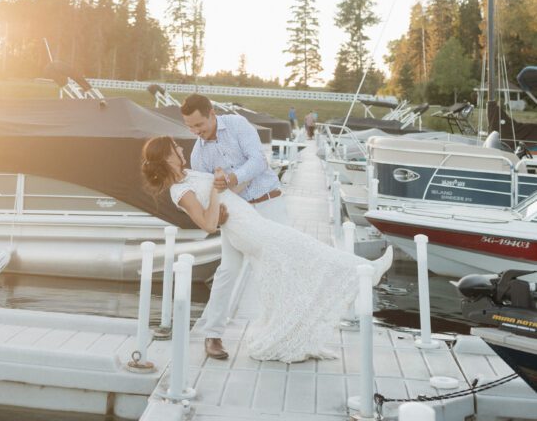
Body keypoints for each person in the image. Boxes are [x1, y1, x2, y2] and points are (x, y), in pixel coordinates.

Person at [141, 136, 393, 364]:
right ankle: (367, 270)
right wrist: (217, 196)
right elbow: (206, 223)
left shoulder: (189, 175)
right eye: (175, 147)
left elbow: (225, 195)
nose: (180, 148)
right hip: (246, 230)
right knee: (308, 248)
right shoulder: (180, 190)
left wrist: (223, 182)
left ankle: (292, 331)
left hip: (250, 221)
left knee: (297, 260)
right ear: (166, 156)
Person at [179, 93, 288, 360]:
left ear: (211, 114)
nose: (196, 132)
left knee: (278, 265)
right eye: (190, 127)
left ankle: (280, 331)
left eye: (199, 125)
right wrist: (221, 210)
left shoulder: (238, 125)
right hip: (237, 214)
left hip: (269, 203)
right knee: (227, 270)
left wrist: (231, 178)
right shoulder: (198, 154)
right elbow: (210, 195)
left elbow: (258, 161)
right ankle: (212, 335)